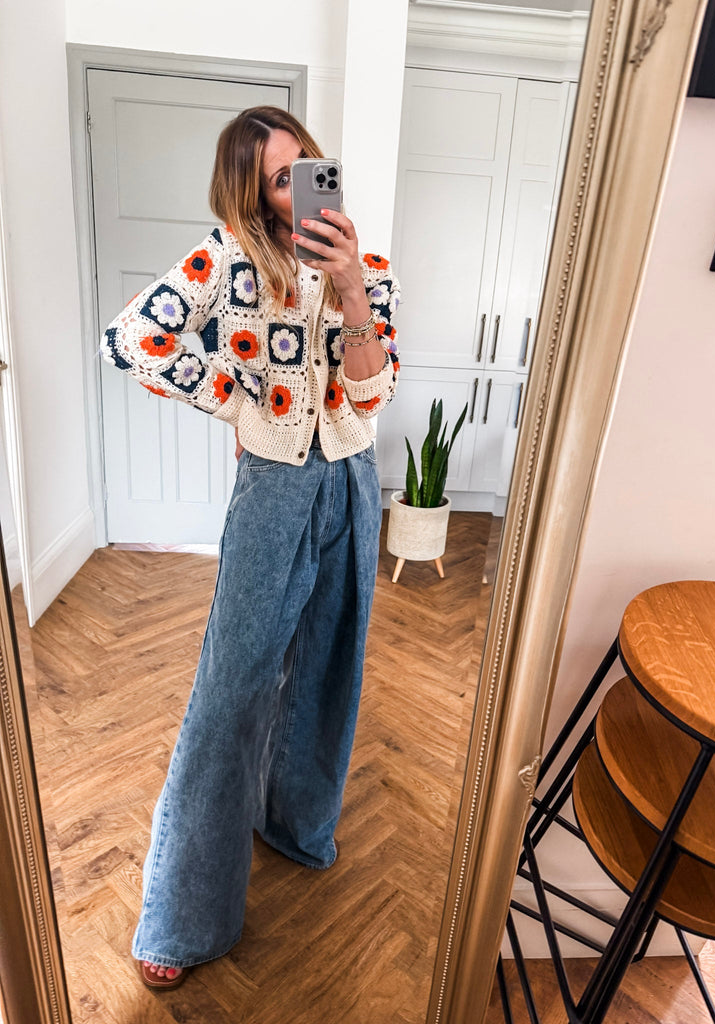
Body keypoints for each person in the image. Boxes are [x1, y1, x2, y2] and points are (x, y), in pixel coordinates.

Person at [100, 105, 400, 989]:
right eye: (279, 177)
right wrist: (239, 402)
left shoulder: (367, 268)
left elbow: (372, 394)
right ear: (253, 192)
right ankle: (184, 917)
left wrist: (351, 287)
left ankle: (295, 825)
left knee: (330, 665)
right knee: (230, 690)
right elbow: (134, 338)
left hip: (352, 482)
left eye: (306, 165)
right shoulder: (228, 258)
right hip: (274, 491)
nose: (299, 187)